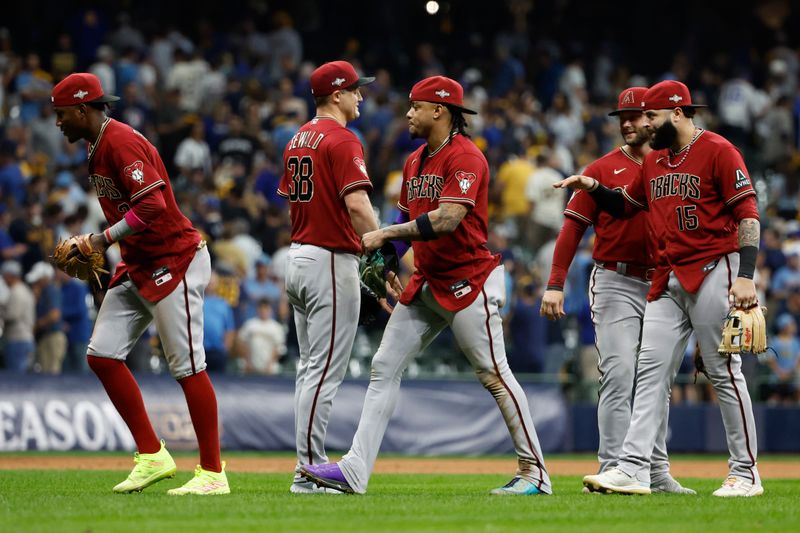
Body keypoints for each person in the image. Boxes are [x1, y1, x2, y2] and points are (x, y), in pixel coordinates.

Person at [302, 76, 551, 496]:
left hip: (470, 279)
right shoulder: (415, 160)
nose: (408, 113)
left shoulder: (468, 157)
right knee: (383, 367)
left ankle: (535, 473)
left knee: (494, 375)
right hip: (428, 281)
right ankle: (354, 471)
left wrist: (382, 234)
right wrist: (385, 262)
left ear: (439, 110)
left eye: (415, 106)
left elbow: (447, 219)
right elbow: (405, 233)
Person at [555, 80, 763, 497]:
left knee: (722, 372)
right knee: (650, 374)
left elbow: (748, 213)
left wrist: (746, 274)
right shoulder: (655, 163)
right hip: (667, 276)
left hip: (712, 269)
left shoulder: (719, 150)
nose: (645, 123)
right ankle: (633, 468)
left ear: (679, 112)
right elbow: (627, 205)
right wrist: (593, 188)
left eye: (652, 115)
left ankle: (745, 472)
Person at [51, 72, 229, 495]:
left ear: (82, 109)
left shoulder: (121, 141)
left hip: (175, 259)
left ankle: (212, 473)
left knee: (187, 368)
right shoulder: (97, 146)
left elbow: (153, 203)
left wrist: (100, 239)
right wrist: (108, 244)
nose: (58, 123)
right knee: (102, 355)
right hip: (139, 263)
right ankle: (152, 455)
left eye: (61, 115)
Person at [540, 87, 693, 494]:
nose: (626, 123)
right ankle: (612, 465)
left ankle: (655, 471)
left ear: (655, 119)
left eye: (636, 115)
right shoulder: (604, 167)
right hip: (616, 279)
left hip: (661, 281)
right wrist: (555, 283)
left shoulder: (670, 166)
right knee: (621, 373)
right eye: (621, 116)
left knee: (656, 379)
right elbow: (572, 227)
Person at [276, 60, 385, 494]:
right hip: (329, 261)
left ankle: (308, 466)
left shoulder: (296, 138)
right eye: (355, 90)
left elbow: (294, 202)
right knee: (322, 372)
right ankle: (309, 471)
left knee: (309, 370)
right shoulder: (342, 139)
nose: (361, 96)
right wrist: (380, 248)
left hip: (299, 255)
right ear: (336, 94)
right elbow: (357, 206)